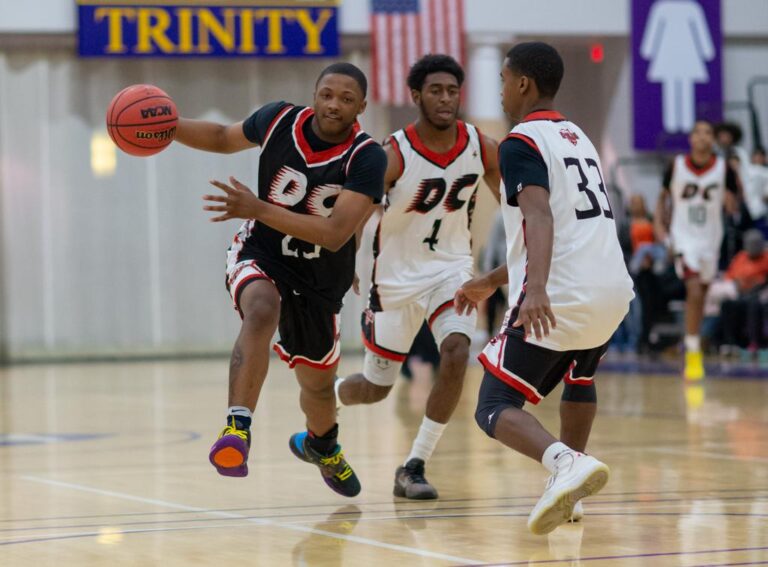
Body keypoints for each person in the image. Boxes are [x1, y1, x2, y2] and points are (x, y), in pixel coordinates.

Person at [176, 62, 387, 497]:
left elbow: (333, 235)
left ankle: (322, 445)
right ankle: (237, 428)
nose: (334, 105)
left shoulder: (368, 156)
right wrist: (168, 126)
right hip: (263, 254)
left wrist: (259, 208)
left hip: (320, 279)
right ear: (314, 94)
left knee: (317, 388)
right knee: (260, 309)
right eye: (327, 94)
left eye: (346, 99)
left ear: (361, 106)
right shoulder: (277, 120)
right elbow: (219, 137)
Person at [455, 42, 634, 535]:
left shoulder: (519, 141)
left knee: (493, 406)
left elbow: (539, 215)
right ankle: (571, 491)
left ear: (522, 84)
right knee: (579, 379)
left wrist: (534, 290)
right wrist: (491, 282)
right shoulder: (577, 135)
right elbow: (572, 229)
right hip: (612, 290)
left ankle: (564, 464)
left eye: (502, 83)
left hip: (563, 296)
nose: (501, 93)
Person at [334, 54, 501, 500]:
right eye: (435, 90)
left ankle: (414, 465)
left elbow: (517, 202)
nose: (445, 99)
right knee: (374, 389)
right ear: (416, 96)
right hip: (393, 280)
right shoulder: (392, 154)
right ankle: (325, 398)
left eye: (452, 90)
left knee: (455, 352)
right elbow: (354, 212)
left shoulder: (481, 146)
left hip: (451, 269)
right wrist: (344, 262)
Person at [654, 120, 738, 380]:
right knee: (693, 290)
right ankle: (692, 352)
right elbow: (662, 201)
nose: (703, 137)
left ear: (713, 140)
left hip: (711, 239)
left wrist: (732, 200)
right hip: (684, 238)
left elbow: (734, 204)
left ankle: (692, 340)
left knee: (701, 294)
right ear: (690, 139)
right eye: (698, 132)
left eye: (708, 133)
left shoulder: (725, 169)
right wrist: (661, 230)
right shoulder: (676, 166)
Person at [718, 229, 768, 353]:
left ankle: (755, 342)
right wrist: (738, 282)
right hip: (741, 293)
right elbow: (730, 276)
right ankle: (730, 343)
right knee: (727, 304)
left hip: (760, 294)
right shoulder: (741, 257)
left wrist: (758, 282)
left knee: (754, 305)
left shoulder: (766, 257)